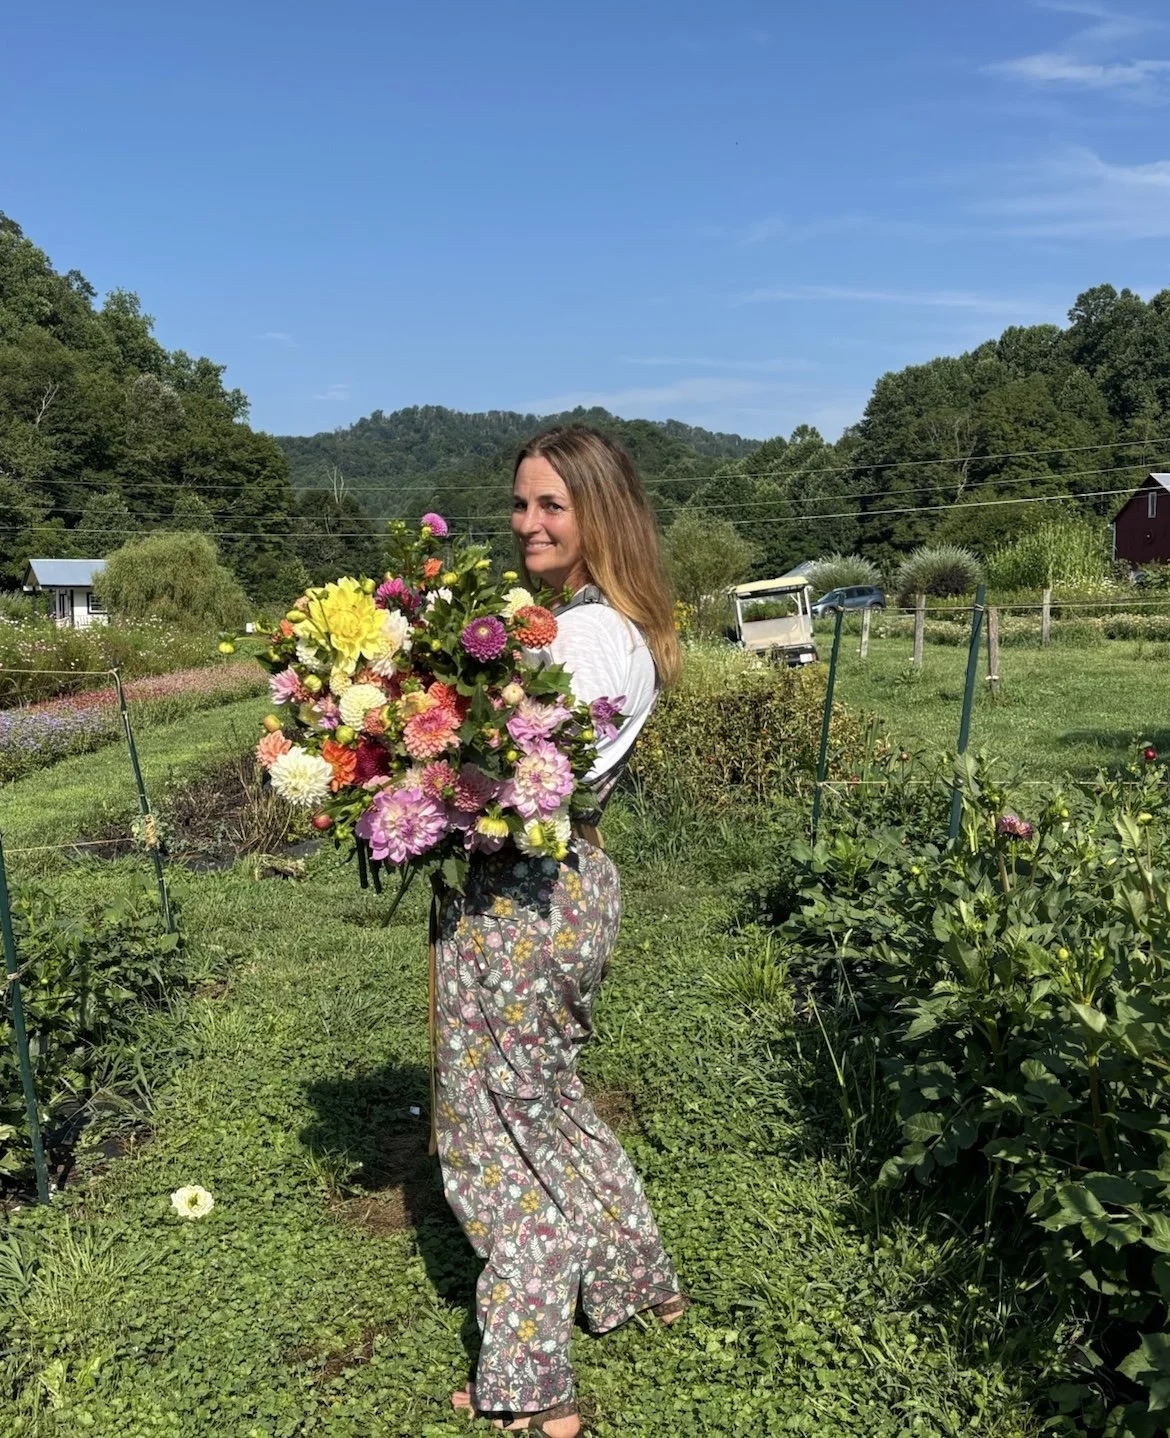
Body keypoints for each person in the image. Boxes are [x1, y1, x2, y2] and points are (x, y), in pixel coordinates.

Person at [438, 426, 686, 1435]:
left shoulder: (575, 640)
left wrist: (407, 783)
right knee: (551, 1100)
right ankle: (638, 1280)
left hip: (522, 888)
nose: (529, 523)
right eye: (521, 502)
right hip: (579, 878)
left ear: (599, 512)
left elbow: (530, 781)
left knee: (492, 1131)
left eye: (553, 505)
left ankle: (533, 1383)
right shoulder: (622, 627)